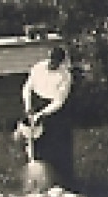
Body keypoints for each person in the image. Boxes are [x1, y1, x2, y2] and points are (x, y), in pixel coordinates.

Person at [20, 45, 75, 184]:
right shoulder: (38, 68)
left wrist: (42, 114)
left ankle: (61, 179)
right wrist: (29, 107)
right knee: (34, 140)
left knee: (56, 144)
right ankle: (36, 178)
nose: (52, 63)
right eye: (51, 59)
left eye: (56, 61)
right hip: (36, 103)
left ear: (61, 62)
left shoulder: (65, 76)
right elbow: (27, 88)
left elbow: (59, 101)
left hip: (55, 111)